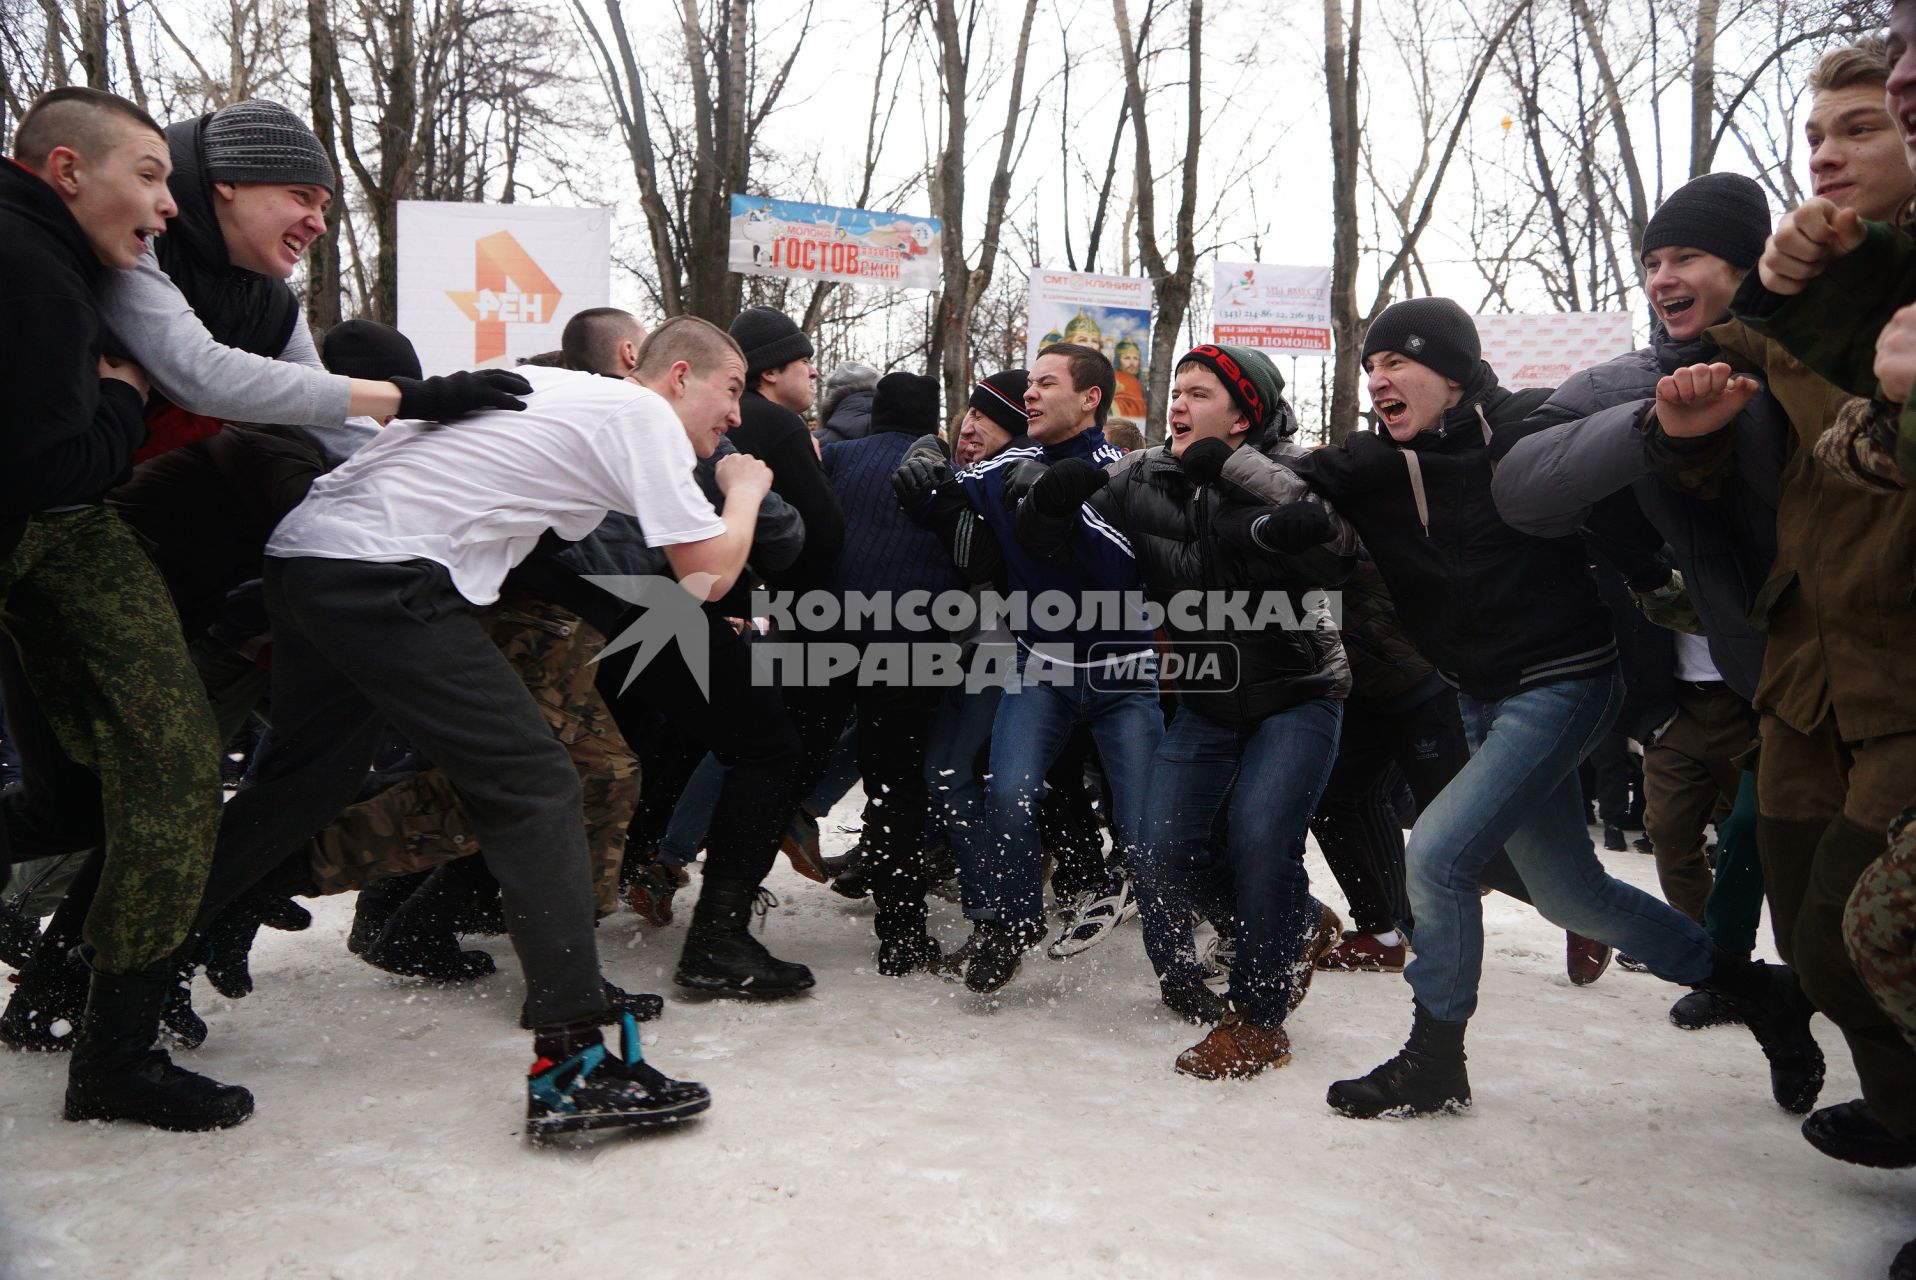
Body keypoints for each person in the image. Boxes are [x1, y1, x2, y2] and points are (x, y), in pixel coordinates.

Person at [190, 318, 765, 1138]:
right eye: (732, 391)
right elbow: (705, 575)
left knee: (300, 787)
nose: (736, 418)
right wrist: (744, 490)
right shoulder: (639, 415)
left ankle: (106, 982)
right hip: (381, 571)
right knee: (536, 784)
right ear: (678, 374)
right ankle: (573, 1065)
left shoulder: (563, 393)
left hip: (313, 557)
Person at [1284, 298, 1817, 1120]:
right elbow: (1285, 479)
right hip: (1480, 693)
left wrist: (1658, 588)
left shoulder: (1528, 430)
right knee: (1572, 896)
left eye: (1397, 363)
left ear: (1453, 373)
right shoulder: (1377, 461)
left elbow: (1620, 510)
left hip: (1565, 680)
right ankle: (1757, 990)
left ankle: (1435, 1058)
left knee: (1436, 855)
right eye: (1370, 369)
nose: (1377, 380)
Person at [1491, 172, 1808, 1040]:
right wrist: (1653, 429)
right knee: (1697, 840)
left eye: (1688, 257)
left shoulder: (1821, 360)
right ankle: (1734, 973)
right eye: (1651, 261)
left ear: (1747, 265)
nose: (1663, 278)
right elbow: (1521, 489)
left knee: (1823, 884)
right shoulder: (1626, 383)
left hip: (1834, 673)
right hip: (1712, 693)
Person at [0, 86, 252, 1130]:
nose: (166, 205)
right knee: (172, 766)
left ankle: (84, 1011)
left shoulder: (55, 258)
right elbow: (47, 465)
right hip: (48, 523)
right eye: (146, 176)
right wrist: (120, 395)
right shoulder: (37, 271)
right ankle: (112, 1051)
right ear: (67, 172)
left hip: (55, 537)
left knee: (89, 790)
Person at [1708, 15, 1916, 1176]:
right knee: (1807, 930)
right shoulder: (1792, 310)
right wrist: (1682, 442)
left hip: (1899, 661)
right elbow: (1736, 467)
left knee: (1864, 924)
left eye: (1859, 126)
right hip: (1803, 667)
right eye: (1812, 134)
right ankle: (1900, 1109)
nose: (1825, 154)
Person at [1091, 342, 1356, 1076]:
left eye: (1199, 393)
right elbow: (1078, 496)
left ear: (1243, 416)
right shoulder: (1150, 474)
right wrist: (1032, 489)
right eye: (1176, 390)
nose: (1177, 404)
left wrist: (1226, 467)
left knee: (1262, 841)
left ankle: (1258, 1019)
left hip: (1298, 692)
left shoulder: (1296, 470)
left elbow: (1335, 543)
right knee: (1159, 850)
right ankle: (1295, 928)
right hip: (1208, 698)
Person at [895, 343, 1162, 993]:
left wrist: (1059, 506)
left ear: (1091, 398)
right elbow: (943, 494)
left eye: (1046, 383)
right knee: (1008, 794)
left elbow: (1125, 571)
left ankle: (1180, 952)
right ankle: (1011, 926)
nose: (1031, 395)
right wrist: (922, 466)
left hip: (1121, 675)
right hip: (1040, 668)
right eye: (1031, 384)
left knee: (1146, 824)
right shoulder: (1011, 461)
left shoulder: (1121, 471)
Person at [562, 306, 648, 377]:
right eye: (648, 344)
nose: (654, 352)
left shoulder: (559, 394)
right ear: (630, 354)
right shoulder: (646, 397)